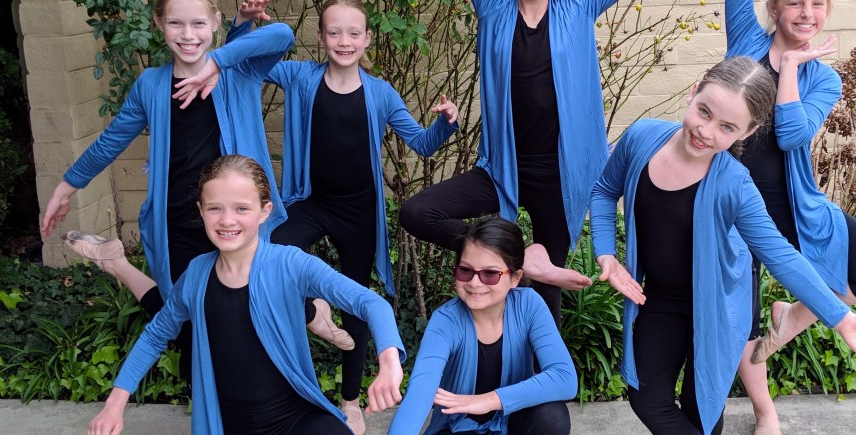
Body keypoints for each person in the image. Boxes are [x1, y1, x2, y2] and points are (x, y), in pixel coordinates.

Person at [589, 56, 856, 435]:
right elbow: (605, 190)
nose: (705, 132)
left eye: (726, 127)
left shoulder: (735, 184)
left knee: (702, 412)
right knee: (647, 399)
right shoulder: (642, 138)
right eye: (704, 112)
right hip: (657, 300)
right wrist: (606, 253)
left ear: (747, 131)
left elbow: (781, 256)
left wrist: (842, 318)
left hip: (719, 309)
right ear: (693, 93)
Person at [38, 0, 296, 383]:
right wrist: (66, 187)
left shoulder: (237, 71)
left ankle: (117, 264)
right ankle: (207, 404)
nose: (188, 35)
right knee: (185, 325)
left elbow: (282, 35)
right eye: (176, 23)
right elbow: (112, 141)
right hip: (178, 224)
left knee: (244, 314)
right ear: (159, 23)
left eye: (198, 23)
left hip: (233, 223)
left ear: (215, 22)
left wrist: (218, 60)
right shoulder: (151, 85)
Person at [81, 155, 406, 435]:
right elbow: (157, 333)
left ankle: (318, 315)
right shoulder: (197, 275)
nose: (227, 220)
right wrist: (116, 402)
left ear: (265, 211)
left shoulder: (291, 264)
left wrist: (389, 359)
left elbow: (370, 302)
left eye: (241, 208)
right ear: (201, 210)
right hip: (229, 425)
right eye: (215, 208)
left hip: (296, 420)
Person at [249, 0, 458, 431]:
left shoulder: (380, 92)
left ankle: (349, 401)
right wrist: (243, 24)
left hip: (359, 213)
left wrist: (446, 123)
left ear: (367, 39)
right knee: (265, 251)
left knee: (356, 306)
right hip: (311, 201)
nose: (344, 41)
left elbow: (422, 143)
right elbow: (248, 64)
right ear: (321, 37)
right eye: (334, 32)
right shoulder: (300, 76)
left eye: (353, 33)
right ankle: (313, 312)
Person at [724, 1, 856, 432]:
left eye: (817, 3)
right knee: (743, 321)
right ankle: (765, 412)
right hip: (729, 209)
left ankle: (793, 316)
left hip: (793, 207)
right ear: (773, 8)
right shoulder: (746, 39)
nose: (806, 12)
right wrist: (786, 61)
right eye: (794, 2)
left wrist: (791, 67)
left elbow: (792, 136)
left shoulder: (824, 79)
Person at [398, 0, 623, 327]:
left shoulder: (579, 7)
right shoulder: (493, 8)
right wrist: (503, 250)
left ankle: (546, 361)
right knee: (417, 212)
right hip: (501, 171)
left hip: (559, 179)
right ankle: (513, 255)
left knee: (546, 296)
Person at [389, 217, 576, 435]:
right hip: (458, 428)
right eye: (465, 270)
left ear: (515, 278)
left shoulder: (528, 305)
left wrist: (490, 400)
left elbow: (565, 378)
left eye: (490, 273)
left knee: (552, 417)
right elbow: (420, 392)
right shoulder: (446, 320)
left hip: (513, 421)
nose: (474, 283)